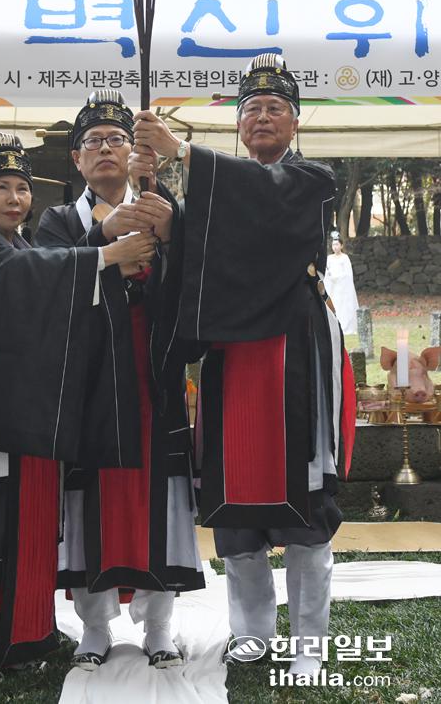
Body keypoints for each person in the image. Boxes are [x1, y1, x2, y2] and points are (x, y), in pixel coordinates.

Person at [130, 54, 356, 680]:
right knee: (234, 502)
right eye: (251, 108)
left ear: (295, 122)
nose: (261, 117)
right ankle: (252, 634)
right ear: (238, 124)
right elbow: (201, 253)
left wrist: (182, 152)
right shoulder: (214, 193)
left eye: (275, 108)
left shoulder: (312, 180)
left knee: (304, 504)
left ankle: (309, 643)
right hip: (233, 354)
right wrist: (169, 220)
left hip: (295, 351)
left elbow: (266, 203)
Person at [0, 132, 154, 684]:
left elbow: (49, 276)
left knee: (25, 528)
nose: (14, 198)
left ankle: (17, 636)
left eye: (21, 188)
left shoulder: (24, 249)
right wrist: (104, 255)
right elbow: (30, 280)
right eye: (1, 188)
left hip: (25, 415)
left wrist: (104, 252)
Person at [35, 90, 204, 671]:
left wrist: (167, 240)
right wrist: (102, 243)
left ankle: (159, 625)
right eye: (93, 142)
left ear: (135, 152)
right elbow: (44, 289)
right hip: (90, 378)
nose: (105, 149)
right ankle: (94, 625)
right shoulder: (59, 221)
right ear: (76, 159)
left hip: (152, 371)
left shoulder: (160, 205)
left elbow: (192, 285)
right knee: (90, 494)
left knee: (160, 490)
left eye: (116, 139)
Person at [324, 232, 359, 335]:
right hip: (333, 287)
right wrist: (330, 277)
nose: (335, 247)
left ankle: (345, 326)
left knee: (343, 306)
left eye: (337, 244)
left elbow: (348, 274)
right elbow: (327, 271)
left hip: (342, 287)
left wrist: (339, 278)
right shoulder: (329, 258)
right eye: (333, 245)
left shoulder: (345, 258)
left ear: (341, 246)